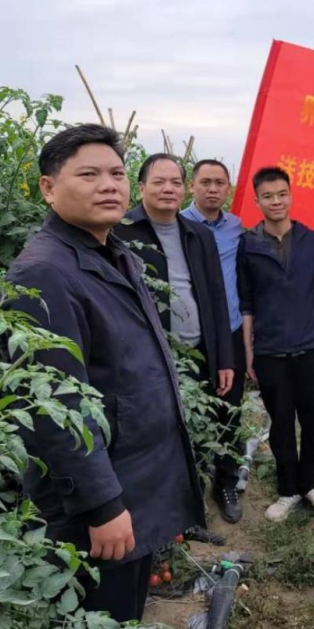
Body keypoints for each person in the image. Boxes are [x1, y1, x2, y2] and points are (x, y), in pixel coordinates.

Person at [5, 125, 203, 629]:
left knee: (121, 624)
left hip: (135, 482)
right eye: (88, 175)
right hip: (103, 499)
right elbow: (51, 405)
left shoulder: (113, 252)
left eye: (116, 173)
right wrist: (102, 504)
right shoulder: (45, 272)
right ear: (49, 188)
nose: (109, 185)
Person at [114, 154, 237, 519]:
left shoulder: (196, 233)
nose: (168, 189)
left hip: (198, 352)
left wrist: (224, 359)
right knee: (158, 437)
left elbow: (215, 295)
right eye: (159, 182)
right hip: (150, 358)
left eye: (175, 183)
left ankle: (195, 507)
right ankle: (161, 514)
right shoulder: (122, 232)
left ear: (184, 189)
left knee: (199, 430)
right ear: (141, 188)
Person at [237, 166, 314, 522]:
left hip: (310, 345)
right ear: (257, 201)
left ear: (291, 195)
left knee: (312, 419)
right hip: (270, 350)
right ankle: (288, 490)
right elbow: (246, 301)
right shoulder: (248, 245)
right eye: (268, 196)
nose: (276, 201)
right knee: (280, 422)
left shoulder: (313, 242)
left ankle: (311, 482)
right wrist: (249, 350)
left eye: (281, 194)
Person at [180, 159, 248, 524]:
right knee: (185, 410)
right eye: (205, 182)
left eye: (219, 183)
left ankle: (225, 483)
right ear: (192, 186)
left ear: (228, 188)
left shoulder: (236, 228)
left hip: (231, 331)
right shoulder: (177, 225)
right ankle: (186, 489)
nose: (212, 189)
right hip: (188, 337)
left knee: (229, 411)